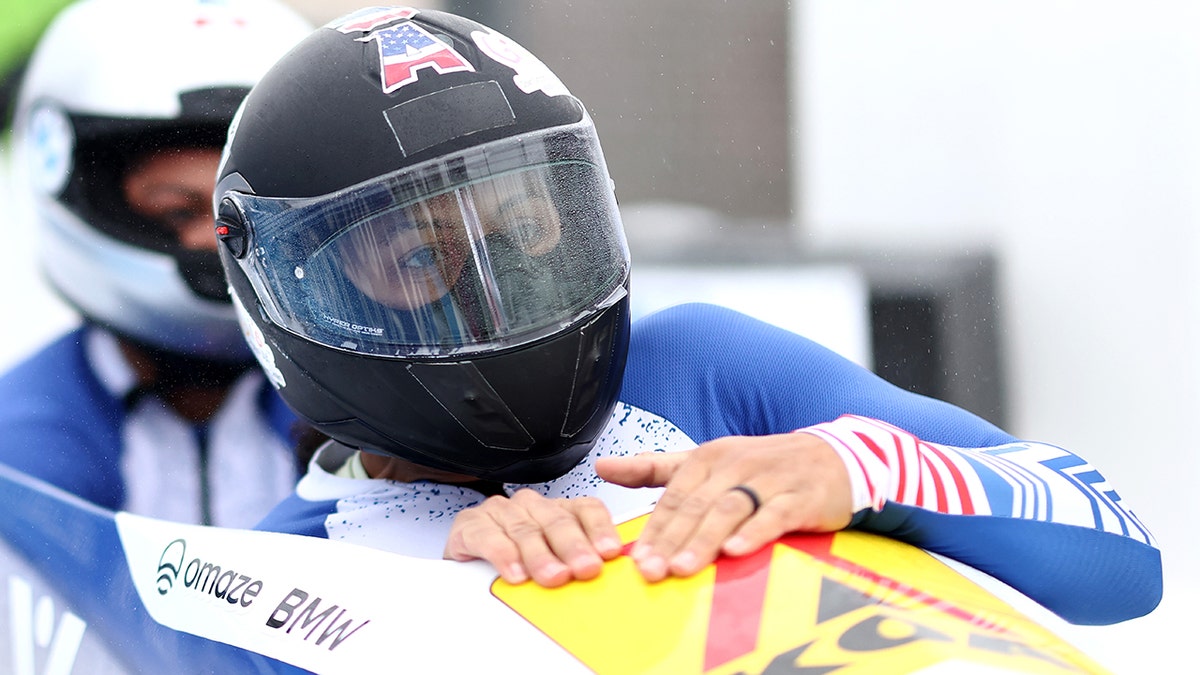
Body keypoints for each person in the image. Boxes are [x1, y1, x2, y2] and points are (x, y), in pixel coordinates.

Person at [217, 6, 1161, 625]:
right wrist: (427, 585)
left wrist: (858, 465)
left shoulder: (703, 366)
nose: (496, 286)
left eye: (531, 228)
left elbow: (1122, 561)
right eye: (422, 258)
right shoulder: (272, 584)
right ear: (297, 295)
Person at [0, 0, 313, 527]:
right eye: (175, 209)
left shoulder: (379, 426)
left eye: (242, 210)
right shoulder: (17, 440)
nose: (214, 238)